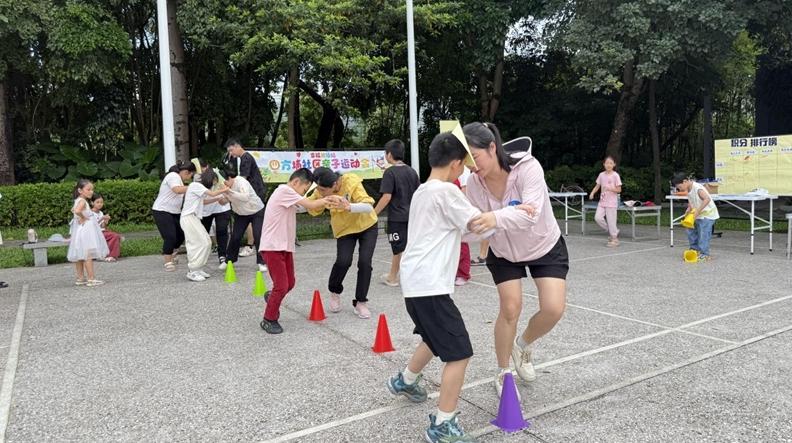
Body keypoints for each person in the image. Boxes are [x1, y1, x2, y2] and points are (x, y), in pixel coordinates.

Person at [387, 129, 510, 443]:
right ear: (456, 164)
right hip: (429, 285)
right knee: (459, 352)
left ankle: (406, 379)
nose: (467, 169)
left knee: (433, 336)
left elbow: (458, 231)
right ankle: (443, 424)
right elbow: (479, 222)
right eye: (465, 165)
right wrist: (513, 211)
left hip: (415, 284)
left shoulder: (424, 191)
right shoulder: (447, 192)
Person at [463, 122, 569, 398]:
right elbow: (472, 224)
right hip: (503, 251)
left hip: (543, 243)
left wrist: (494, 218)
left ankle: (522, 345)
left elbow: (530, 214)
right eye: (467, 161)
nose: (473, 166)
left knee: (553, 308)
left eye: (476, 157)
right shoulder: (473, 183)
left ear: (492, 147)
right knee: (510, 308)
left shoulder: (528, 168)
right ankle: (502, 372)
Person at [258, 168, 332, 334]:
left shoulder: (289, 196)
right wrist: (330, 198)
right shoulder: (284, 190)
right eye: (305, 189)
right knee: (282, 285)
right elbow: (311, 204)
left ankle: (272, 298)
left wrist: (323, 201)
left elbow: (306, 207)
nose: (304, 193)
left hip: (284, 246)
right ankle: (269, 318)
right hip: (273, 247)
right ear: (297, 182)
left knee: (289, 283)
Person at [306, 167, 377, 319]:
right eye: (318, 189)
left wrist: (348, 206)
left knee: (365, 262)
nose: (321, 192)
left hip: (367, 225)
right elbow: (308, 205)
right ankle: (335, 291)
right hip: (344, 229)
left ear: (335, 184)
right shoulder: (320, 191)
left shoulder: (350, 181)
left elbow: (368, 206)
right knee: (343, 261)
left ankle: (361, 302)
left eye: (323, 190)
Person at [374, 139, 420, 287]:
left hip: (397, 217)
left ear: (389, 154)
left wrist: (373, 213)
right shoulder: (412, 171)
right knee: (410, 247)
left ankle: (392, 277)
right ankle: (411, 276)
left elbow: (386, 197)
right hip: (412, 216)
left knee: (397, 248)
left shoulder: (390, 172)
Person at [181, 169, 229, 282]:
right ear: (210, 179)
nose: (214, 184)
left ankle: (198, 268)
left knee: (206, 242)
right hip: (188, 217)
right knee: (196, 243)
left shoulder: (199, 188)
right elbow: (212, 194)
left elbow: (204, 201)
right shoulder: (195, 185)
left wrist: (217, 198)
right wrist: (226, 189)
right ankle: (192, 270)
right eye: (214, 181)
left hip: (194, 218)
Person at [225, 138, 267, 258]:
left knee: (256, 228)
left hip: (254, 194)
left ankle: (250, 246)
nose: (231, 154)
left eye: (232, 150)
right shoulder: (243, 159)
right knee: (242, 226)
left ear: (238, 146)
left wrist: (232, 191)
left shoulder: (246, 158)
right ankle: (245, 249)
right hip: (249, 196)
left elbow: (243, 178)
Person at [152, 161, 195, 272]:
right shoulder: (173, 176)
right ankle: (168, 261)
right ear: (186, 172)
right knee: (170, 236)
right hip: (162, 210)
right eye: (191, 175)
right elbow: (177, 190)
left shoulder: (180, 179)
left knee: (181, 234)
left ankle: (173, 253)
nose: (190, 178)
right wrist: (193, 187)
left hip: (175, 212)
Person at [223, 165, 267, 272]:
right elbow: (223, 200)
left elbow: (245, 196)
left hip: (256, 211)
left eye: (224, 181)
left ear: (229, 178)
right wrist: (222, 197)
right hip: (241, 214)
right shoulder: (225, 187)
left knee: (258, 235)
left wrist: (229, 192)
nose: (223, 184)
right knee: (236, 237)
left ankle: (262, 262)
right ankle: (229, 260)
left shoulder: (241, 181)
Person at [68, 179, 109, 287]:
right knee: (88, 253)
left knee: (80, 253)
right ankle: (91, 278)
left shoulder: (78, 200)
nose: (91, 192)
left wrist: (79, 217)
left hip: (80, 229)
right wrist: (83, 217)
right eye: (88, 189)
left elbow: (73, 210)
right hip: (86, 229)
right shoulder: (82, 201)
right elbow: (77, 211)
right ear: (80, 190)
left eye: (92, 189)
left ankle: (80, 278)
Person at [671, 172, 719, 261]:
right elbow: (691, 198)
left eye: (680, 187)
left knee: (703, 234)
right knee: (690, 230)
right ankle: (694, 249)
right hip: (697, 214)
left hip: (707, 215)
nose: (679, 189)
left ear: (685, 181)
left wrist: (697, 211)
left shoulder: (697, 188)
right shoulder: (688, 189)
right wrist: (689, 208)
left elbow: (707, 199)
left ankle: (705, 254)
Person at [199, 160, 232, 270]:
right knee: (203, 232)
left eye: (214, 181)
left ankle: (222, 255)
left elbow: (228, 196)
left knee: (222, 230)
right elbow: (201, 201)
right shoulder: (198, 182)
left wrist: (225, 199)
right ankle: (200, 256)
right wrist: (217, 198)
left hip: (222, 209)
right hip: (206, 211)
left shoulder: (220, 179)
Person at [589, 155, 622, 247]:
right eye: (607, 163)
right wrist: (592, 193)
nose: (609, 165)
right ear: (604, 164)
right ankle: (613, 231)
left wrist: (611, 188)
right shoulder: (601, 175)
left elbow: (619, 190)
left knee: (612, 221)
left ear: (614, 164)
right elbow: (597, 186)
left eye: (611, 163)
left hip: (612, 202)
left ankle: (614, 239)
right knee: (598, 218)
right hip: (602, 201)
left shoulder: (616, 175)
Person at [90, 193, 123, 262]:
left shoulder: (100, 212)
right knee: (115, 236)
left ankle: (107, 254)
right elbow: (92, 226)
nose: (100, 204)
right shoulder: (90, 213)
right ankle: (109, 255)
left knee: (116, 236)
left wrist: (105, 221)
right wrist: (102, 218)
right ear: (92, 203)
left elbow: (102, 226)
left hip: (102, 231)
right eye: (97, 202)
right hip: (94, 233)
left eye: (101, 202)